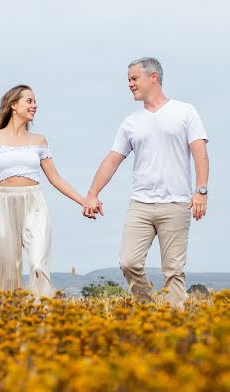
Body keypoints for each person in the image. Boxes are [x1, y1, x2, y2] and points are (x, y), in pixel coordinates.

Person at [84, 57, 209, 308]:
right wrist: (93, 193)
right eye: (128, 80)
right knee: (129, 262)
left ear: (153, 77)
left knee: (173, 269)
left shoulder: (185, 112)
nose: (130, 84)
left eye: (134, 79)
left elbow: (199, 152)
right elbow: (112, 160)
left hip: (176, 203)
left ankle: (175, 324)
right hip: (140, 204)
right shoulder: (131, 122)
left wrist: (201, 191)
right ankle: (149, 310)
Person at [0, 84, 91, 296]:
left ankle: (42, 313)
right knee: (3, 268)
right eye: (30, 101)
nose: (35, 106)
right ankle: (2, 315)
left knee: (38, 263)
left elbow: (55, 178)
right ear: (14, 105)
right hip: (4, 204)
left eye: (35, 101)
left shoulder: (39, 141)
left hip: (34, 204)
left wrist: (84, 201)